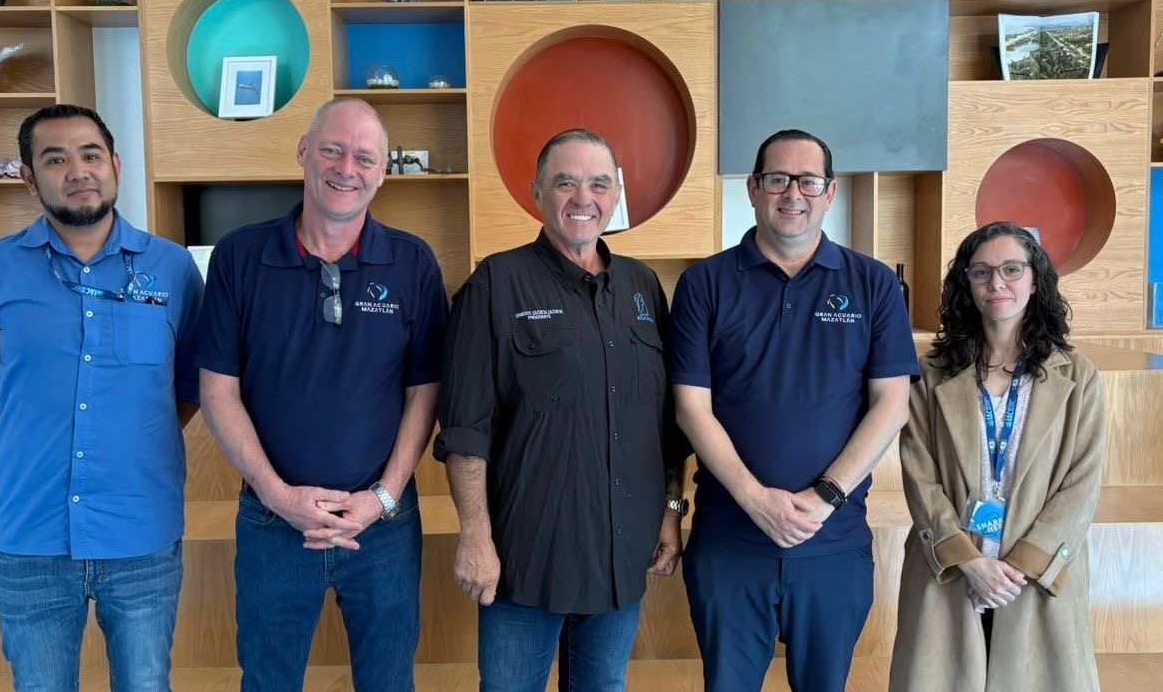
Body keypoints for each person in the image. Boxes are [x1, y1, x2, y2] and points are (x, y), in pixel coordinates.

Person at [195, 97, 447, 692]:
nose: (346, 168)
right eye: (332, 150)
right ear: (304, 152)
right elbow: (217, 391)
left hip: (382, 527)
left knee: (389, 684)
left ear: (383, 173)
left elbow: (425, 392)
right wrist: (277, 494)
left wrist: (383, 497)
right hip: (272, 522)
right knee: (268, 682)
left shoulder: (413, 263)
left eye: (365, 157)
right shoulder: (239, 256)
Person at [0, 103, 204, 692]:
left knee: (146, 684)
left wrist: (131, 444)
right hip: (31, 534)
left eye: (91, 155)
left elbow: (191, 387)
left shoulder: (171, 268)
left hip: (140, 531)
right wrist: (39, 446)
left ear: (115, 165)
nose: (78, 171)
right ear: (28, 176)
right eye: (55, 159)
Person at [435, 128, 688, 692]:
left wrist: (672, 510)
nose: (583, 198)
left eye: (599, 184)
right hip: (526, 561)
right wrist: (474, 536)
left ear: (616, 195)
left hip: (622, 556)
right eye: (565, 183)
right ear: (537, 193)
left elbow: (665, 425)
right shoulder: (496, 283)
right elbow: (466, 430)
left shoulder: (642, 286)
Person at [669, 129, 919, 692]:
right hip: (730, 541)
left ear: (829, 193)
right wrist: (756, 500)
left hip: (832, 541)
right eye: (778, 179)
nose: (793, 193)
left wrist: (825, 497)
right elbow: (690, 408)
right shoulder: (703, 284)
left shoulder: (874, 284)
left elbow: (892, 404)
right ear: (754, 188)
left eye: (808, 181)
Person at [889, 221, 1104, 692]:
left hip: (1035, 576)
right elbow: (919, 474)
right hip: (950, 568)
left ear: (1035, 279)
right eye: (981, 272)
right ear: (966, 283)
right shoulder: (930, 373)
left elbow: (1082, 484)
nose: (997, 283)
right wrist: (970, 562)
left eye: (1011, 269)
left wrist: (1015, 570)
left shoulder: (1078, 376)